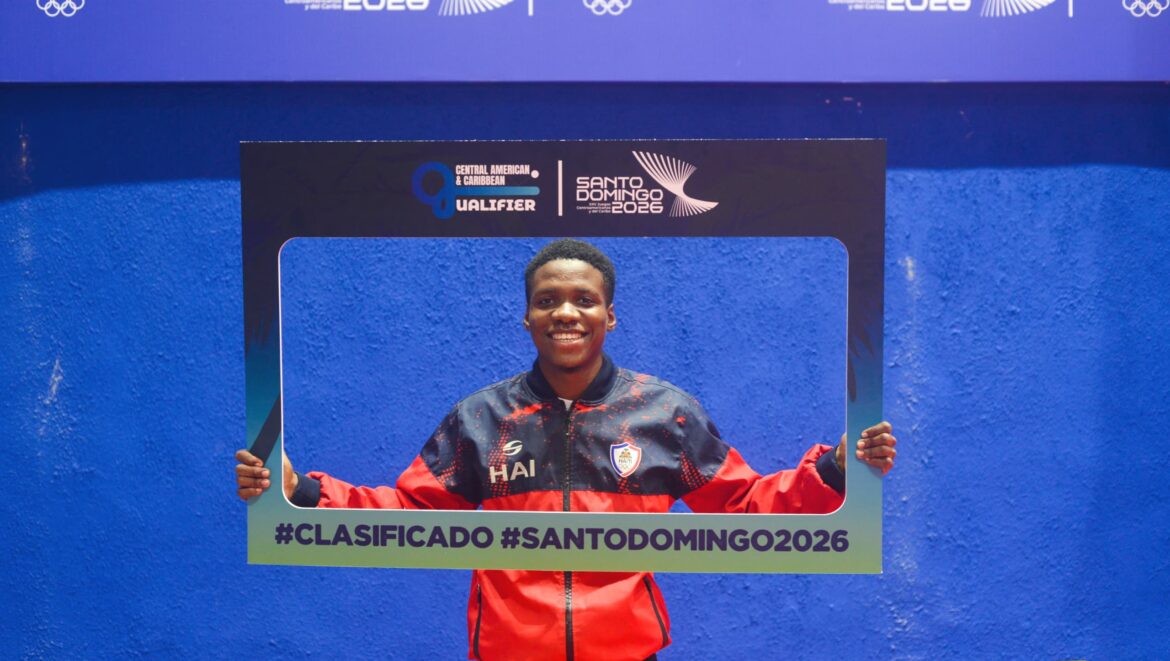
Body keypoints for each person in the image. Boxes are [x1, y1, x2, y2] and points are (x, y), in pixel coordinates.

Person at [235, 239, 897, 661]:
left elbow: (745, 503)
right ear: (527, 317)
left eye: (585, 300)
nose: (566, 313)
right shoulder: (482, 418)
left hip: (627, 652)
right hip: (506, 652)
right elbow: (409, 511)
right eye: (547, 300)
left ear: (610, 315)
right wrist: (303, 493)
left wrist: (835, 470)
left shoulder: (664, 413)